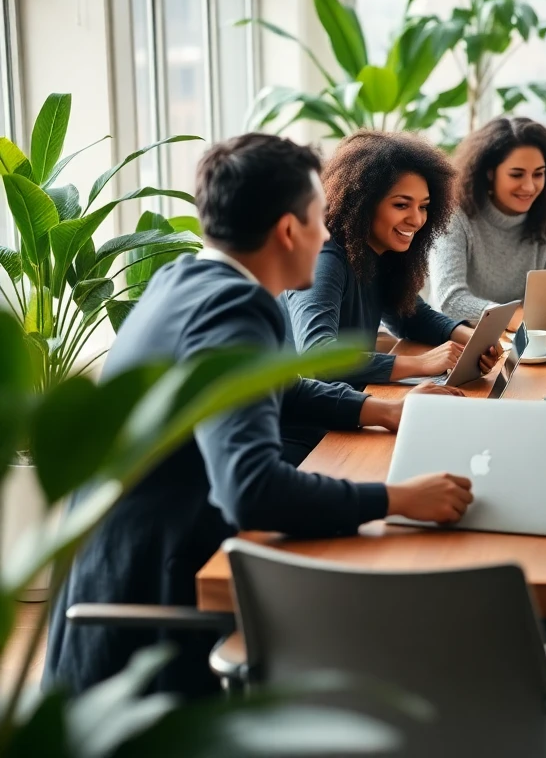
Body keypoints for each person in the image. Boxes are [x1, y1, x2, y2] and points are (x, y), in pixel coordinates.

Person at [45, 133, 473, 698]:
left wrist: (381, 410)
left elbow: (273, 386)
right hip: (154, 607)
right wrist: (397, 499)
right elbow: (251, 489)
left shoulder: (186, 278)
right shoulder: (234, 307)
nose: (327, 236)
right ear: (289, 229)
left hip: (111, 574)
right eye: (321, 219)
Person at [282, 130, 500, 390]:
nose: (417, 219)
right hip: (309, 423)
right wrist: (420, 364)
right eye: (401, 205)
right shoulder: (325, 259)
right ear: (362, 202)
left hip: (350, 401)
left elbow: (410, 315)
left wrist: (469, 339)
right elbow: (317, 357)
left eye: (423, 206)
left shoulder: (378, 252)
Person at [430, 117, 546, 320]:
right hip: (457, 337)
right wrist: (513, 317)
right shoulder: (454, 213)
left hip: (527, 337)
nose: (530, 187)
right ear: (489, 173)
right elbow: (449, 300)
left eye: (538, 174)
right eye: (516, 175)